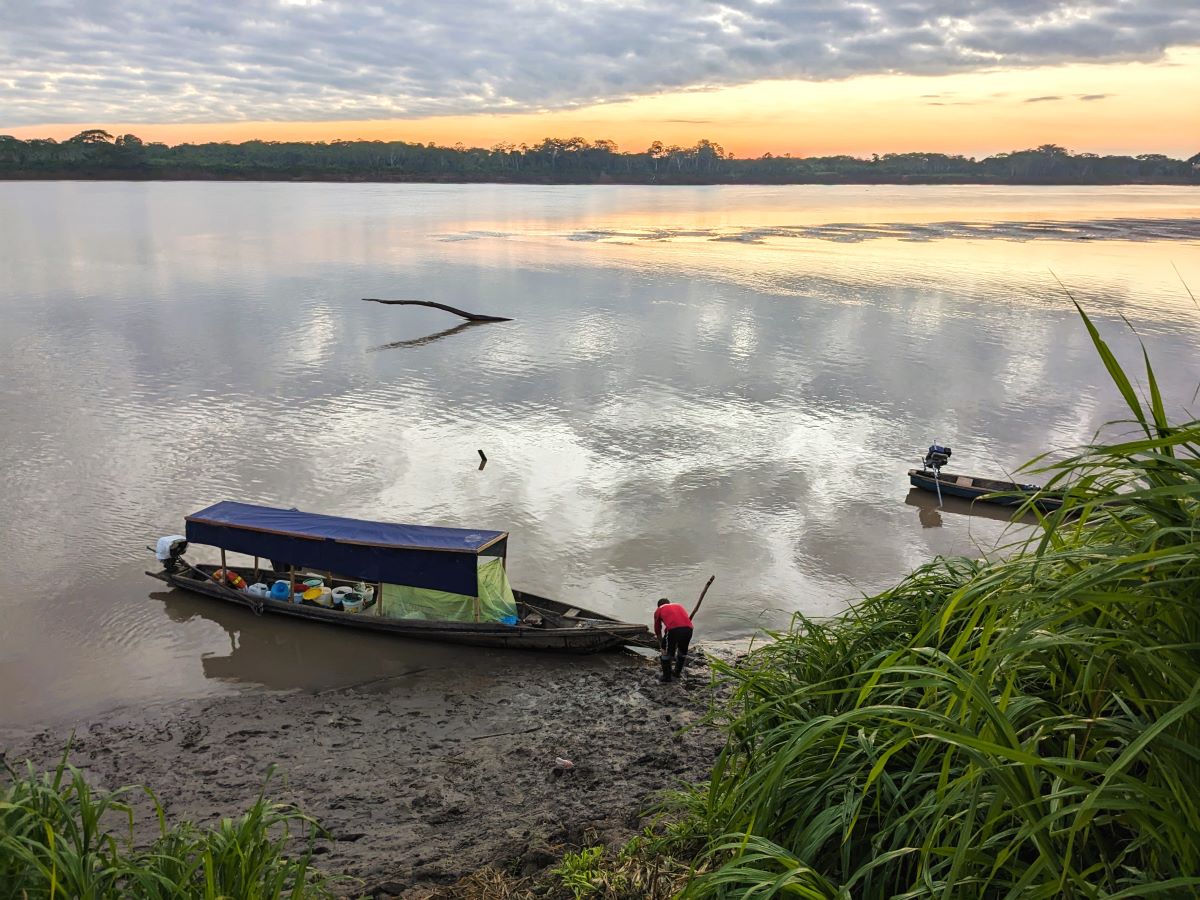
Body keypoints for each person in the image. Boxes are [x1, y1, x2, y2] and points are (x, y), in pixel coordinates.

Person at [653, 598, 694, 682]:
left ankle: (666, 677)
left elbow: (657, 629)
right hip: (689, 629)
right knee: (682, 651)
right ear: (669, 603)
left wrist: (661, 644)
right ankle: (677, 673)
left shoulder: (659, 609)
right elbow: (679, 621)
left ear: (659, 605)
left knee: (665, 652)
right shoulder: (678, 605)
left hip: (673, 630)